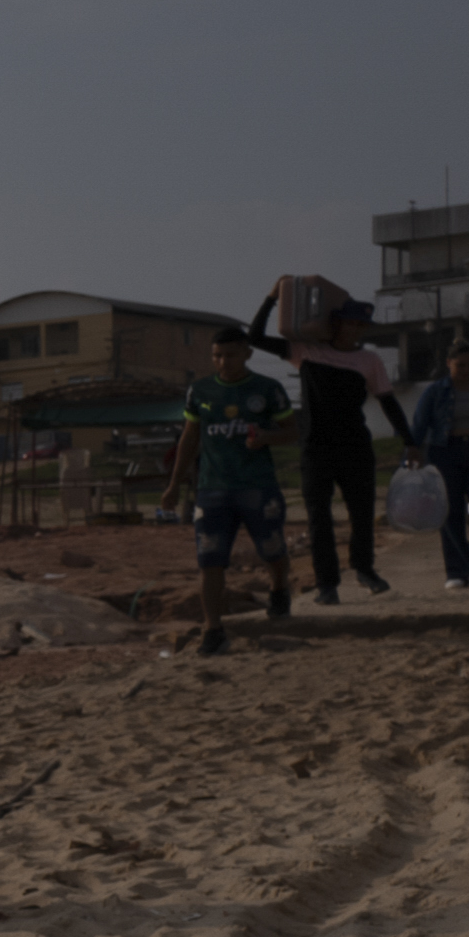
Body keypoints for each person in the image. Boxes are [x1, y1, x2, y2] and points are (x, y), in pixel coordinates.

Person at [245, 273, 410, 602]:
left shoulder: (369, 361)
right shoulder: (305, 351)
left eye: (360, 326)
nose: (354, 330)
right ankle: (327, 585)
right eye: (349, 323)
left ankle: (365, 570)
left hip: (355, 446)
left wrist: (411, 441)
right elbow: (254, 337)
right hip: (315, 448)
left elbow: (389, 402)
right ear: (336, 323)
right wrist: (272, 296)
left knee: (361, 513)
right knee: (319, 518)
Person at [158, 324, 295, 655]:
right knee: (210, 560)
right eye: (217, 356)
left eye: (230, 355)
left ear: (247, 354)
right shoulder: (200, 391)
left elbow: (293, 430)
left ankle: (278, 589)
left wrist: (266, 437)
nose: (223, 362)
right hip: (212, 490)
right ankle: (213, 629)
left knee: (272, 550)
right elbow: (189, 437)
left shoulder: (268, 389)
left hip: (257, 487)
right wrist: (175, 482)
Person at [405, 334, 469, 588]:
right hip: (445, 453)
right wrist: (411, 457)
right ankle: (457, 573)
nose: (465, 370)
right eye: (460, 365)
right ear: (449, 363)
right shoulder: (435, 392)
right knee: (450, 514)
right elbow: (418, 427)